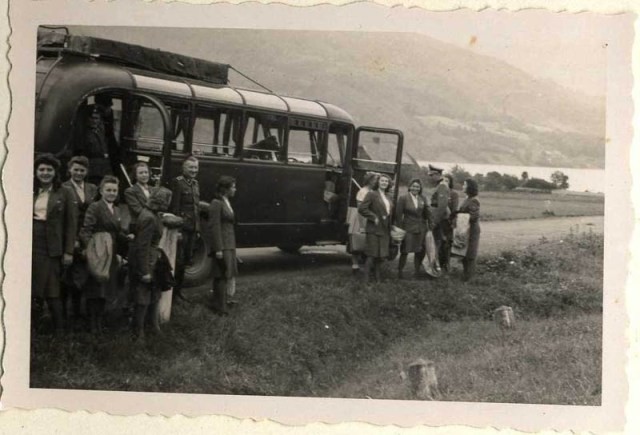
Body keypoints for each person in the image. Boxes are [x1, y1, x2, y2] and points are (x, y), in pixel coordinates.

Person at [80, 175, 134, 334]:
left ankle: (100, 320)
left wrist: (127, 237)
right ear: (101, 191)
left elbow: (116, 233)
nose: (111, 193)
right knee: (95, 288)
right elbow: (86, 230)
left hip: (112, 251)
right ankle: (92, 323)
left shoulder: (117, 209)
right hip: (99, 251)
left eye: (114, 190)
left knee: (106, 287)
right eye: (108, 190)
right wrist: (90, 251)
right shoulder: (95, 207)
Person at [32, 154, 77, 336]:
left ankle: (60, 331)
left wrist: (68, 251)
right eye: (41, 169)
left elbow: (71, 224)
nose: (45, 173)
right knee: (33, 288)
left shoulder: (64, 192)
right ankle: (32, 329)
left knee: (52, 290)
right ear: (35, 172)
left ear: (55, 172)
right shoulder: (30, 190)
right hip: (32, 245)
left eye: (49, 170)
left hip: (52, 247)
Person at [130, 186, 173, 340]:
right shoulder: (149, 218)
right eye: (166, 202)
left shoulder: (152, 214)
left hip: (152, 259)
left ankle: (153, 326)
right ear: (160, 202)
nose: (168, 205)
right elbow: (142, 247)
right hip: (147, 260)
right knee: (143, 296)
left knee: (154, 294)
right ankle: (139, 332)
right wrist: (144, 271)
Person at [61, 155, 97, 328]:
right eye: (75, 169)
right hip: (70, 236)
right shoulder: (63, 187)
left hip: (86, 235)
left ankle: (77, 312)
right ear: (69, 170)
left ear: (86, 172)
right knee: (67, 274)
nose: (79, 173)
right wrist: (72, 240)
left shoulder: (92, 188)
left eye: (82, 170)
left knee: (81, 274)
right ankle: (63, 314)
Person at [169, 156, 201, 302]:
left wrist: (198, 228)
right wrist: (178, 230)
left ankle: (179, 291)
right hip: (182, 229)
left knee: (187, 261)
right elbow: (175, 208)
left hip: (192, 229)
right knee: (178, 261)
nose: (194, 170)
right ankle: (173, 294)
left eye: (195, 168)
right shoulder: (178, 183)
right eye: (191, 167)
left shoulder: (195, 184)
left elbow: (196, 208)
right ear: (183, 168)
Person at [208, 176, 238, 315]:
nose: (235, 189)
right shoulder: (216, 203)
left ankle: (222, 302)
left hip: (229, 243)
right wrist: (218, 248)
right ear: (225, 189)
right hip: (223, 245)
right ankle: (219, 306)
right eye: (233, 187)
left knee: (227, 273)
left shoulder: (226, 201)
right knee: (221, 274)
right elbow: (214, 227)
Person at [358, 173, 392, 284]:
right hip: (374, 228)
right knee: (371, 255)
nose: (384, 183)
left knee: (380, 256)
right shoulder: (371, 194)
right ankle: (365, 280)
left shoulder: (388, 197)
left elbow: (389, 213)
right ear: (378, 182)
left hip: (384, 229)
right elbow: (362, 208)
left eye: (386, 181)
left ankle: (378, 280)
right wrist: (373, 217)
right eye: (382, 181)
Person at [395, 178, 432, 279]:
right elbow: (398, 215)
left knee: (419, 251)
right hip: (407, 228)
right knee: (405, 250)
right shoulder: (403, 198)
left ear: (420, 188)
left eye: (417, 187)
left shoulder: (423, 198)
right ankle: (400, 271)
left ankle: (416, 272)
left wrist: (431, 225)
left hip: (420, 229)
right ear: (409, 187)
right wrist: (399, 229)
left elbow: (427, 213)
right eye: (413, 186)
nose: (415, 188)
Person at [347, 171, 376, 273]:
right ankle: (355, 265)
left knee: (366, 242)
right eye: (374, 180)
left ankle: (365, 264)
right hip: (361, 218)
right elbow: (360, 209)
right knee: (357, 240)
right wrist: (362, 224)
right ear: (370, 181)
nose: (376, 182)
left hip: (368, 217)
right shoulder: (363, 191)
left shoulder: (372, 191)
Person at [455, 179, 481, 281]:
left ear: (470, 187)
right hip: (466, 229)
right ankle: (466, 276)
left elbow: (474, 216)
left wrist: (459, 216)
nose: (463, 186)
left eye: (464, 185)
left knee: (470, 254)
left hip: (471, 230)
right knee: (464, 253)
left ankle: (469, 277)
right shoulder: (468, 199)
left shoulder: (474, 200)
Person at [427, 164, 450, 274]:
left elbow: (442, 207)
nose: (430, 177)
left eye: (432, 175)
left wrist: (434, 222)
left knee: (439, 244)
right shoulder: (440, 185)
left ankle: (440, 268)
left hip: (440, 220)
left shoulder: (442, 186)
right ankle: (438, 267)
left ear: (437, 174)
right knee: (437, 243)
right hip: (438, 219)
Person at [439, 174, 459, 272]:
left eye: (447, 180)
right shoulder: (439, 191)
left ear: (450, 182)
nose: (444, 182)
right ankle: (438, 264)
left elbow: (455, 210)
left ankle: (446, 265)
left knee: (447, 244)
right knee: (439, 243)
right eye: (443, 180)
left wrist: (452, 222)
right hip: (439, 222)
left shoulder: (453, 194)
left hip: (448, 222)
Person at [124, 162, 152, 230]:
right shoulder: (130, 191)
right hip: (138, 226)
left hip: (152, 225)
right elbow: (138, 210)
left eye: (146, 172)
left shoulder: (153, 189)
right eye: (141, 173)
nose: (144, 175)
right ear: (135, 176)